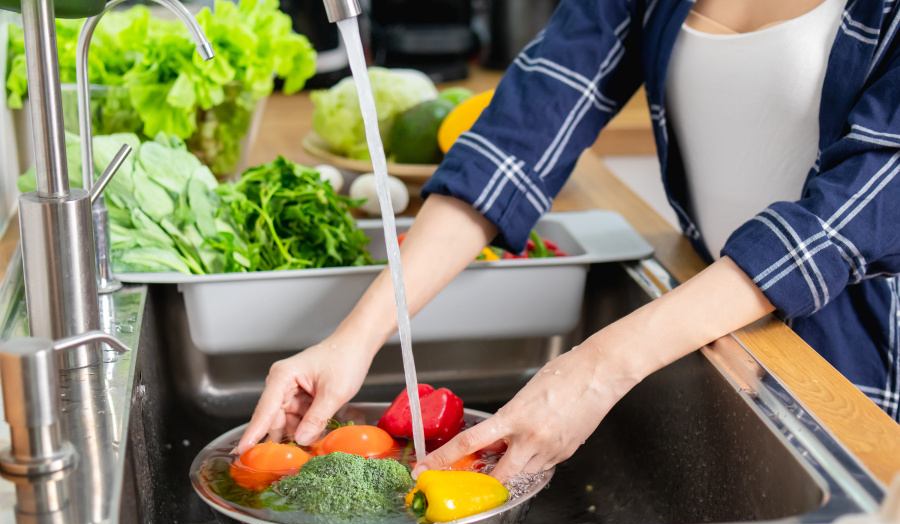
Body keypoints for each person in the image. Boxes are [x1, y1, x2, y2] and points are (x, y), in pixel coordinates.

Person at [236, 0, 900, 482]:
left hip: (860, 373)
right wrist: (355, 336)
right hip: (710, 328)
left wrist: (595, 368)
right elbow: (519, 136)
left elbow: (843, 219)